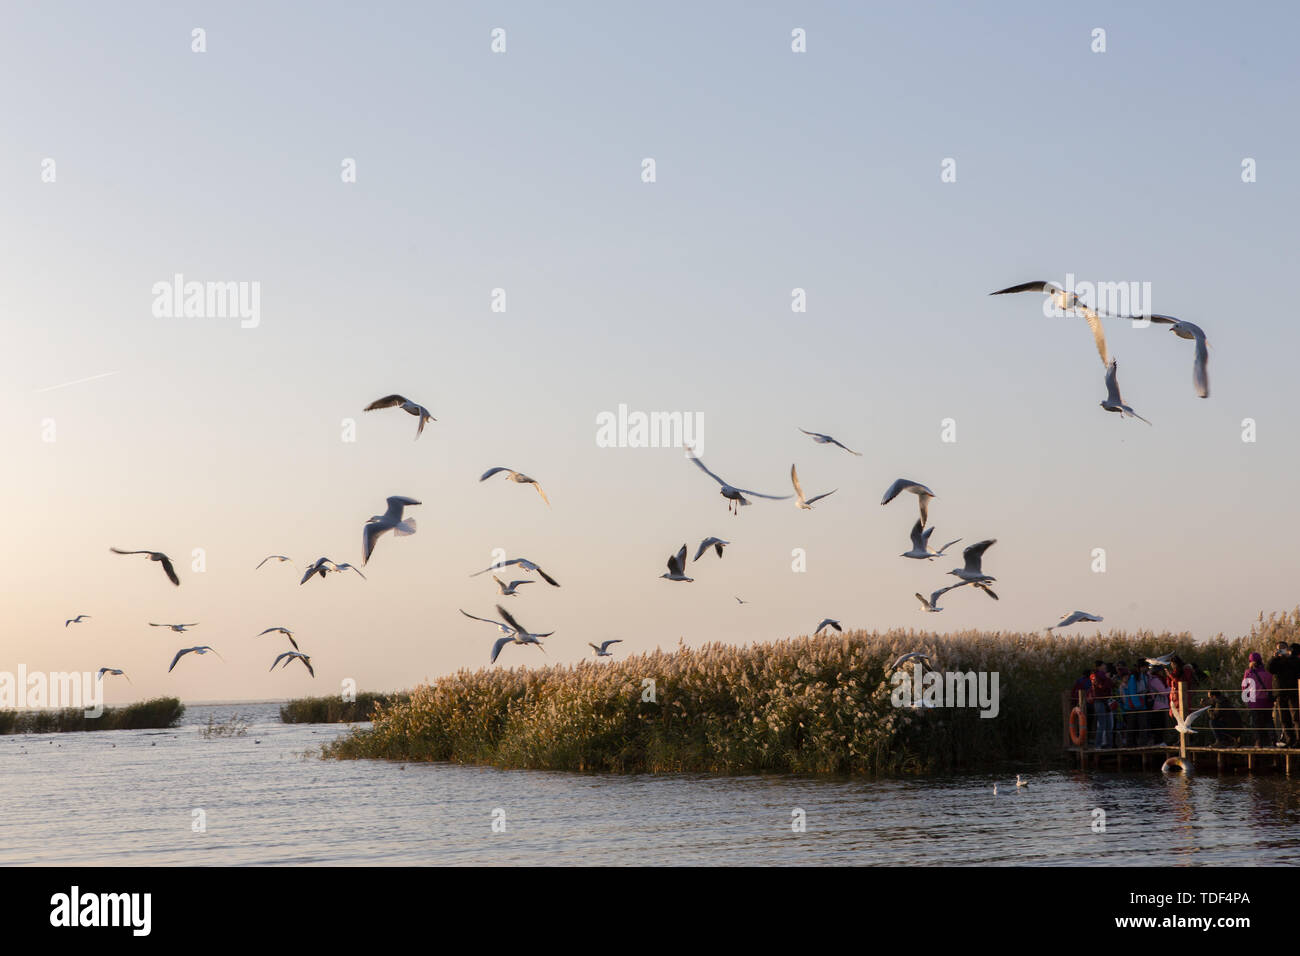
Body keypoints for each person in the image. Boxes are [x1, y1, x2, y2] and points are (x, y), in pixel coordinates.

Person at [1267, 642, 1300, 747]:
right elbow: (1269, 669)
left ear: (1287, 649)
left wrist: (1289, 657)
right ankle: (1289, 739)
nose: (1281, 651)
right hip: (1280, 692)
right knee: (1284, 719)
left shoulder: (1293, 660)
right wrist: (1274, 658)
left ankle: (1298, 740)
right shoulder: (1275, 661)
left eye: (1283, 649)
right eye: (1279, 649)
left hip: (1292, 692)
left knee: (1296, 717)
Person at [1242, 652, 1275, 746]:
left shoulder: (1248, 673)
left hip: (1254, 702)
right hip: (1267, 702)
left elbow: (1244, 687)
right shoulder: (1268, 672)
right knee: (1269, 721)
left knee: (1256, 723)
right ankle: (1273, 740)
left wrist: (1246, 701)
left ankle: (1259, 742)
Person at [1122, 662, 1151, 746]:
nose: (1146, 669)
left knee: (1143, 726)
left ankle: (1143, 744)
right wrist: (1137, 704)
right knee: (1132, 726)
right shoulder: (1133, 677)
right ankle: (1130, 744)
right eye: (1144, 667)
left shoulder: (1144, 676)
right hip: (1134, 706)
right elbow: (1132, 692)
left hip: (1142, 705)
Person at [1091, 662, 1115, 748]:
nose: (1105, 667)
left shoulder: (1104, 676)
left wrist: (1108, 679)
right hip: (1099, 701)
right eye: (1103, 666)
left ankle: (1109, 745)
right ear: (1099, 667)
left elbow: (1112, 685)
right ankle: (1098, 744)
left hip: (1106, 701)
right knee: (1102, 724)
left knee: (1108, 724)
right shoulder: (1096, 676)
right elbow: (1102, 686)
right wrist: (1108, 679)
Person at [1148, 666, 1171, 744]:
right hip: (1158, 705)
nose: (1162, 672)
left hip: (1162, 705)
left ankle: (1161, 742)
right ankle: (1159, 742)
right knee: (1159, 725)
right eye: (1161, 671)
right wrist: (1172, 688)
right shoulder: (1155, 680)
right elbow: (1163, 692)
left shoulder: (1159, 679)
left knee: (1162, 725)